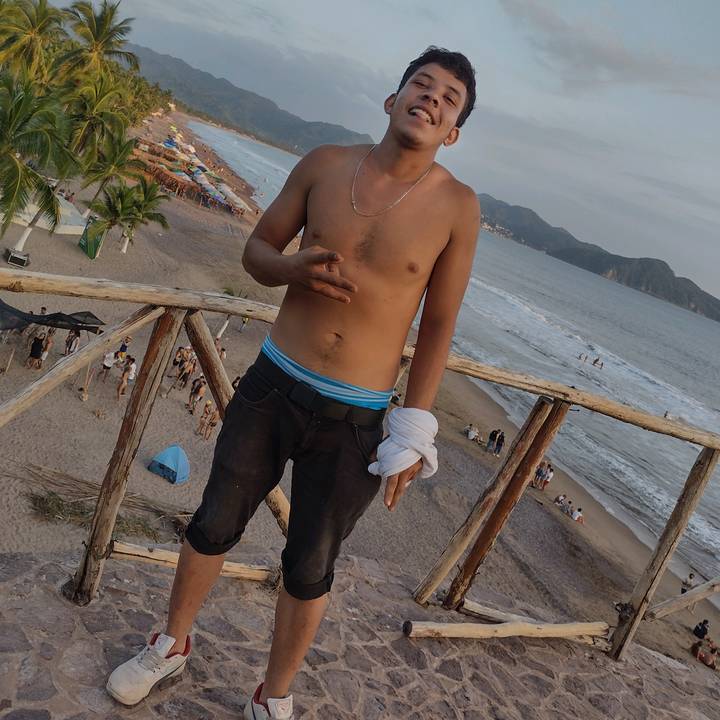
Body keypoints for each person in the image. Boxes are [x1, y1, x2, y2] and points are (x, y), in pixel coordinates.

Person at [107, 47, 480, 718]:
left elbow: (439, 324)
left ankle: (272, 697)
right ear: (392, 99)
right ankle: (170, 644)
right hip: (273, 384)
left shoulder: (457, 207)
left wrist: (414, 427)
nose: (431, 98)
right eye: (421, 85)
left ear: (452, 131)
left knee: (310, 566)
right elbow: (257, 252)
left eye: (449, 98)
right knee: (213, 522)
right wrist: (291, 270)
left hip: (356, 417)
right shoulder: (325, 164)